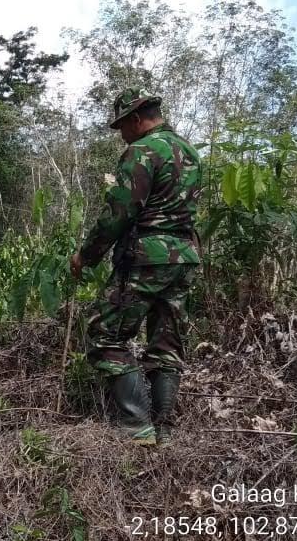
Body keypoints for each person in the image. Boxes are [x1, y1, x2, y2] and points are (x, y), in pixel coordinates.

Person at [70, 88, 202, 445]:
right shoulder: (190, 152)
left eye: (121, 128)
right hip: (185, 258)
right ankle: (166, 430)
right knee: (167, 342)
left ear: (136, 118)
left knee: (104, 333)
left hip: (146, 257)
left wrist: (87, 255)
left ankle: (136, 426)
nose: (121, 136)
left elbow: (120, 212)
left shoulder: (142, 151)